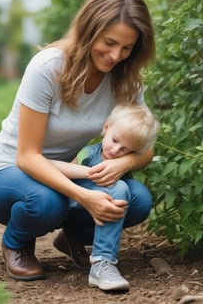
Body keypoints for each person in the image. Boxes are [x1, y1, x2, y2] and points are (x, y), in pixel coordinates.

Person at [0, 0, 156, 289]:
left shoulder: (125, 80)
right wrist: (84, 195)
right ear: (89, 30)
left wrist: (124, 164)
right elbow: (27, 156)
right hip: (9, 172)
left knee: (136, 200)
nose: (115, 56)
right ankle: (16, 243)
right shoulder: (48, 67)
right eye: (109, 43)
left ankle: (74, 236)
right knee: (46, 202)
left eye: (127, 48)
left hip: (66, 173)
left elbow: (147, 149)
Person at [51, 103, 159, 291]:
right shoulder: (88, 154)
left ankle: (73, 239)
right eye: (115, 140)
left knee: (124, 192)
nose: (116, 151)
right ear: (106, 128)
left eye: (126, 150)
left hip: (102, 210)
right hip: (78, 203)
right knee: (117, 188)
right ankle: (103, 261)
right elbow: (61, 169)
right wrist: (87, 172)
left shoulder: (122, 162)